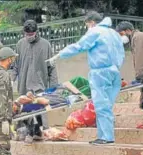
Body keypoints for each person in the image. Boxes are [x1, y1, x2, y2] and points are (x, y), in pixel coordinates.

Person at [46, 11, 125, 145]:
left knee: (101, 105)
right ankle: (106, 135)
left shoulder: (95, 32)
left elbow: (79, 46)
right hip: (114, 71)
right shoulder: (114, 33)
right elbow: (121, 53)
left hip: (100, 72)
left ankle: (106, 137)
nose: (87, 27)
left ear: (91, 22)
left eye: (87, 24)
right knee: (107, 105)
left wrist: (60, 54)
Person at [10, 19, 58, 143]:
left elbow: (52, 68)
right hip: (23, 85)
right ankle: (22, 132)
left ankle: (41, 132)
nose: (29, 37)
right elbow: (15, 66)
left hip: (39, 85)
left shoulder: (45, 45)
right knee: (23, 111)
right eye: (27, 35)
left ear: (36, 32)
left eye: (31, 35)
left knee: (39, 110)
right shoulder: (20, 44)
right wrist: (11, 80)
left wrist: (53, 87)